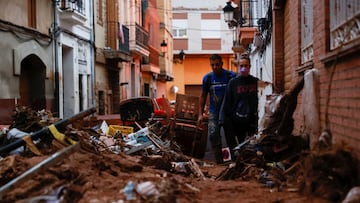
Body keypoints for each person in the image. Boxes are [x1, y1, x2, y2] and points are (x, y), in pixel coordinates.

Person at [197, 54, 236, 164]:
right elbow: (203, 96)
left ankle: (235, 160)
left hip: (228, 112)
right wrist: (200, 114)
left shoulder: (231, 76)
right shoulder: (208, 78)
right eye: (212, 65)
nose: (215, 67)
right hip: (214, 111)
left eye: (217, 64)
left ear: (222, 64)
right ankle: (219, 161)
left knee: (230, 136)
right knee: (213, 134)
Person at [219, 53, 259, 160]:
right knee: (237, 145)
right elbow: (227, 102)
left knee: (249, 145)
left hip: (251, 120)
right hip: (236, 120)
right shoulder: (233, 83)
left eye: (246, 66)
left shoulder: (255, 82)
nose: (243, 68)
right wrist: (224, 119)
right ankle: (236, 162)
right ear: (238, 66)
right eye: (241, 66)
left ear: (250, 67)